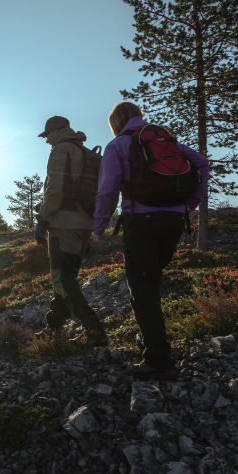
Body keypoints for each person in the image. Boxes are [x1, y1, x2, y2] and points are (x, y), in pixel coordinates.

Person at [92, 102, 209, 379]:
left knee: (142, 287)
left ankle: (157, 359)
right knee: (151, 281)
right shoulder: (162, 138)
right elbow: (202, 162)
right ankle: (149, 340)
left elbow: (107, 190)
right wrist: (190, 204)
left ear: (115, 122)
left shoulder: (118, 144)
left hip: (141, 222)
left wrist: (98, 227)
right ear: (138, 116)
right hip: (174, 221)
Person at [34, 115, 108, 346]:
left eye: (47, 135)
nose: (46, 140)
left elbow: (55, 189)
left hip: (63, 224)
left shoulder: (61, 149)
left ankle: (94, 330)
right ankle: (53, 329)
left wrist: (43, 218)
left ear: (56, 131)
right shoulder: (85, 152)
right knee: (66, 279)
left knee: (62, 280)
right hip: (84, 225)